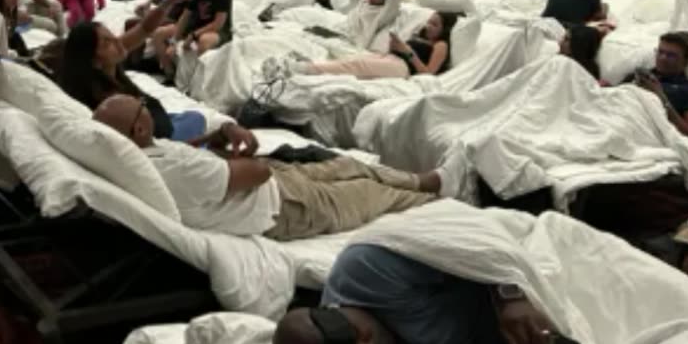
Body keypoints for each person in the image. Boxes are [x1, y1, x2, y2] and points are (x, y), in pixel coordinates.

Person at [95, 94, 440, 241]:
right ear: (138, 129)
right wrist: (241, 149)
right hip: (284, 206)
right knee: (368, 193)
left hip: (272, 182)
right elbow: (256, 173)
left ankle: (421, 181)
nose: (146, 106)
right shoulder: (170, 174)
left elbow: (184, 155)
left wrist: (219, 134)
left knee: (346, 164)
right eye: (142, 106)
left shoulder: (138, 155)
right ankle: (439, 203)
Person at [270, 243, 554, 344]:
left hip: (523, 306)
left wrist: (510, 295)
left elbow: (478, 239)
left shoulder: (366, 271)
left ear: (332, 307)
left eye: (354, 333)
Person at [57, 0, 199, 140]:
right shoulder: (108, 100)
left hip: (155, 118)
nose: (118, 42)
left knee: (190, 117)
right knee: (197, 119)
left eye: (112, 36)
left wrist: (170, 0)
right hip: (158, 132)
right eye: (107, 43)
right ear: (94, 61)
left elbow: (144, 29)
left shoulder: (106, 65)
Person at [268, 11, 459, 81]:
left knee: (356, 66)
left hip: (403, 68)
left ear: (444, 29)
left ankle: (302, 69)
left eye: (435, 25)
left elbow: (428, 74)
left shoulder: (441, 45)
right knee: (350, 59)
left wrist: (407, 51)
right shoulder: (422, 37)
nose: (428, 26)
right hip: (391, 58)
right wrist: (395, 47)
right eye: (429, 21)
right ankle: (307, 65)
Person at [155, 0, 233, 77]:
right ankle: (169, 73)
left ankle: (199, 80)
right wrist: (174, 41)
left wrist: (193, 35)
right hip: (197, 27)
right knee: (159, 33)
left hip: (218, 31)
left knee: (204, 41)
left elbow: (218, 24)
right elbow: (185, 16)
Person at [631, 33, 688, 140]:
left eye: (671, 55)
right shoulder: (641, 76)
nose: (663, 58)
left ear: (685, 62)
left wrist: (660, 96)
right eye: (660, 52)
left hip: (640, 127)